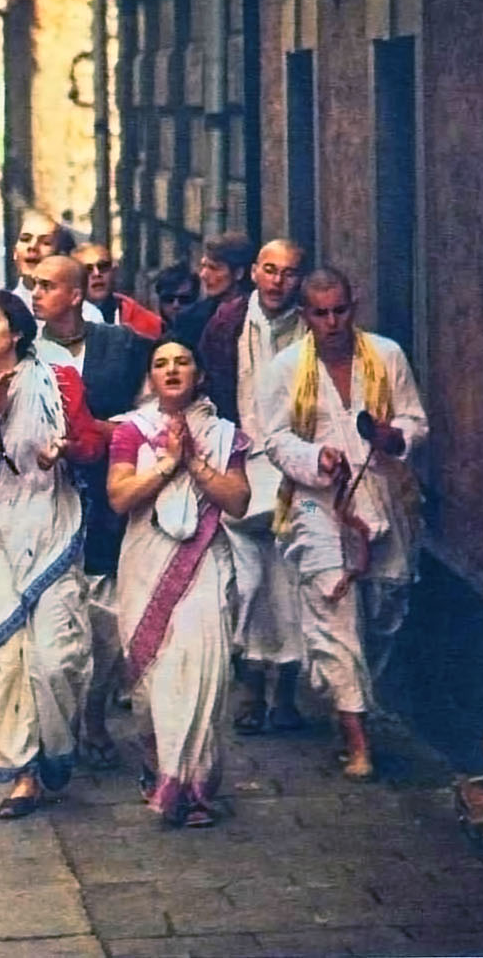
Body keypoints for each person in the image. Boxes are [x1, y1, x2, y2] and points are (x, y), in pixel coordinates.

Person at [0, 290, 106, 820]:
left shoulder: (60, 381)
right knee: (4, 656)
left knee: (55, 657)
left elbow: (92, 444)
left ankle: (56, 748)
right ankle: (22, 773)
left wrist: (67, 449)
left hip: (49, 520)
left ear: (16, 331)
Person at [262, 268, 427, 781]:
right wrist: (316, 457)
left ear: (354, 306)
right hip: (316, 505)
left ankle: (347, 705)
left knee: (383, 613)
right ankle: (359, 743)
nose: (332, 322)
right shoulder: (285, 367)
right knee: (333, 608)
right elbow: (275, 439)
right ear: (304, 316)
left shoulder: (387, 355)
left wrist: (394, 436)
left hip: (383, 497)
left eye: (340, 310)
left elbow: (415, 420)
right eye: (320, 313)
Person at [106, 339, 251, 828]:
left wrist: (194, 462)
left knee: (204, 666)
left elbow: (238, 501)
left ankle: (195, 790)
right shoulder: (132, 429)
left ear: (200, 375)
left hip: (205, 561)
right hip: (145, 563)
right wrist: (168, 463)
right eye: (161, 364)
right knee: (155, 677)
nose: (171, 370)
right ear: (150, 378)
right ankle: (161, 766)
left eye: (182, 362)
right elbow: (119, 497)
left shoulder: (224, 434)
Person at [28, 255, 155, 767]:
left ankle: (96, 713)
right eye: (33, 285)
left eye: (46, 285)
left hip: (108, 501)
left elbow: (154, 410)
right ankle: (54, 726)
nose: (35, 294)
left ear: (75, 294)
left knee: (106, 621)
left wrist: (106, 430)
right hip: (45, 499)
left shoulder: (122, 346)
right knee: (53, 622)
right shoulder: (25, 351)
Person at [200, 239, 311, 733]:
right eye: (269, 270)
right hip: (240, 467)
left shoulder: (311, 326)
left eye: (288, 273)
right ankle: (249, 686)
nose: (277, 281)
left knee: (291, 585)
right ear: (254, 273)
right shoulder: (227, 323)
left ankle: (285, 694)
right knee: (245, 585)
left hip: (297, 472)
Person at [11, 213, 100, 326]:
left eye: (46, 242)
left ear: (60, 255)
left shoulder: (88, 315)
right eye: (25, 239)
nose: (32, 246)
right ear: (15, 252)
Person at [172, 232, 255, 348]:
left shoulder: (257, 314)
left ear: (238, 273)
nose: (203, 275)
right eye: (203, 266)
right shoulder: (189, 319)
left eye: (214, 268)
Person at [75, 243, 164, 339]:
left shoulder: (141, 318)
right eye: (87, 269)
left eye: (103, 266)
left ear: (114, 271)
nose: (97, 273)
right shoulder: (64, 319)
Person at [151, 265, 200, 332]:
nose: (176, 305)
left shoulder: (208, 333)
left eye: (184, 299)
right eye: (169, 298)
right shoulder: (149, 334)